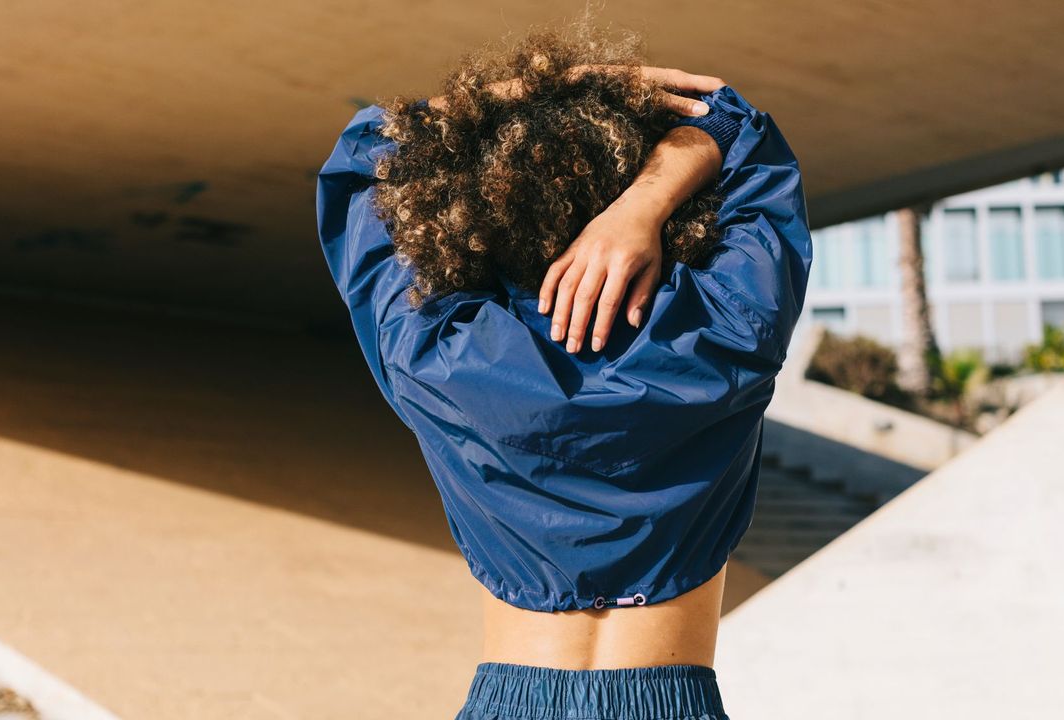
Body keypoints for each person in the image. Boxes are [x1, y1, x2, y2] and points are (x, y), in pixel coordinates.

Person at [315, 20, 811, 720]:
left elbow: (372, 148)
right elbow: (741, 133)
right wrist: (643, 204)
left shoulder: (433, 353)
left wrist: (556, 87)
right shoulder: (728, 332)